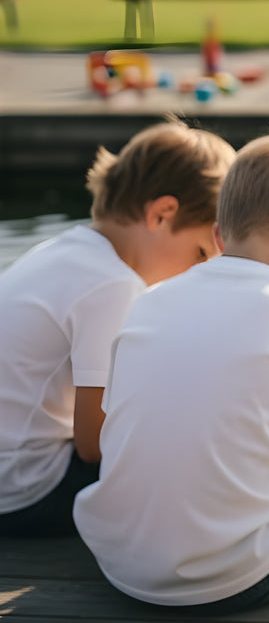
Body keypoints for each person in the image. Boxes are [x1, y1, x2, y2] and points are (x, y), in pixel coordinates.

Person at [73, 130, 269, 614]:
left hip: (119, 563)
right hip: (231, 579)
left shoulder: (147, 303)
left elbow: (157, 415)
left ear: (220, 234)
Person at [0, 118, 235, 538]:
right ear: (162, 214)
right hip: (25, 490)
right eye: (201, 253)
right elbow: (95, 445)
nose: (199, 271)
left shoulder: (66, 250)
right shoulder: (112, 285)